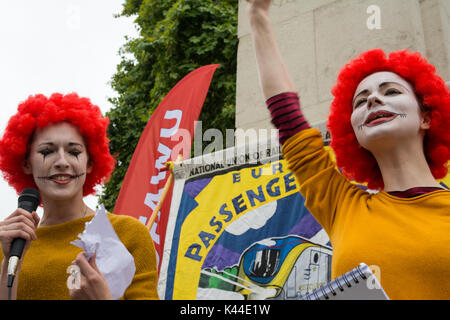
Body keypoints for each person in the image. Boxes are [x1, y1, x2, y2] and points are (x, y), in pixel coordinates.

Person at [246, 0, 450, 299]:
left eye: (391, 91)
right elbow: (287, 119)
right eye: (360, 100)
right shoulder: (342, 205)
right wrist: (257, 15)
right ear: (353, 131)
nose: (373, 100)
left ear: (427, 117)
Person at [0, 93, 159, 300]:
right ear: (26, 164)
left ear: (90, 163)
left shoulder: (128, 234)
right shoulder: (9, 244)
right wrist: (9, 266)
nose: (62, 162)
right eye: (47, 151)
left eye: (74, 152)